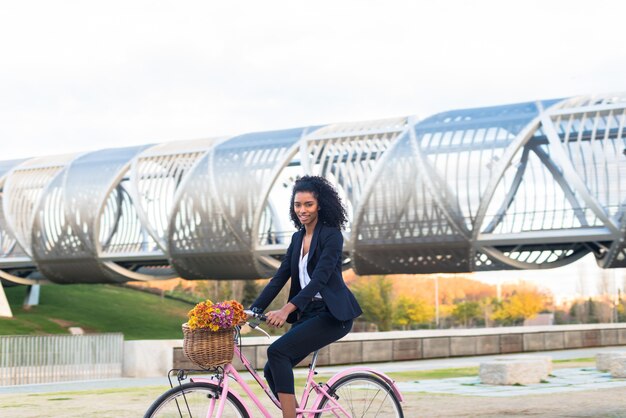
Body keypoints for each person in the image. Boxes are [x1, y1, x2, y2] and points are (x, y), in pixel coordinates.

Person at [250, 175, 362, 418]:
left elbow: (319, 279)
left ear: (320, 205)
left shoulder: (332, 235)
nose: (302, 210)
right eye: (297, 205)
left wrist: (286, 309)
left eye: (308, 204)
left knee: (277, 352)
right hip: (309, 313)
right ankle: (296, 413)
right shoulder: (297, 238)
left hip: (333, 315)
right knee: (272, 369)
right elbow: (280, 277)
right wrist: (253, 310)